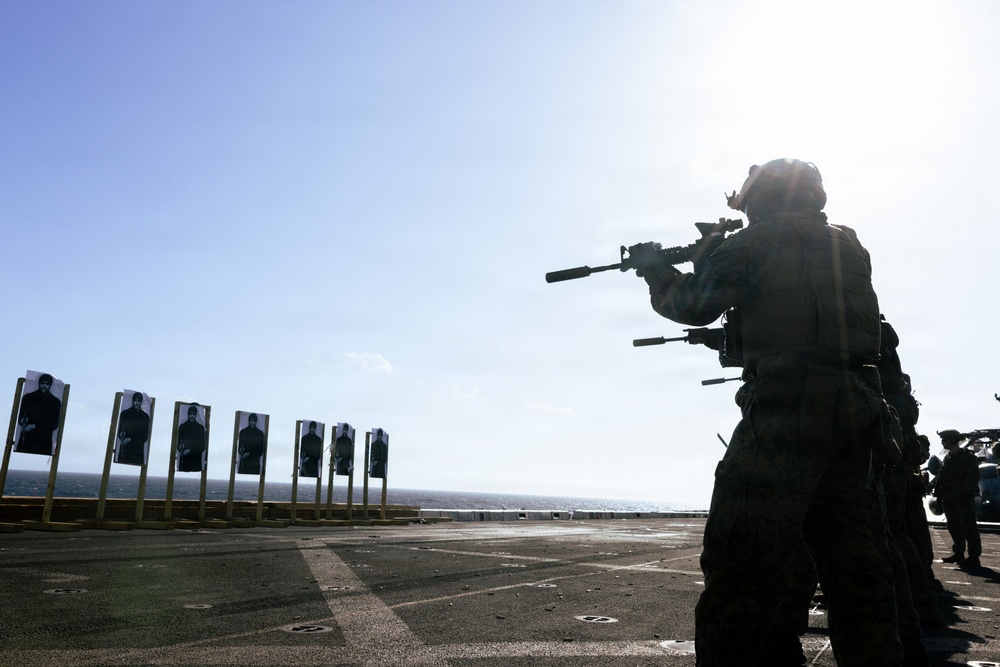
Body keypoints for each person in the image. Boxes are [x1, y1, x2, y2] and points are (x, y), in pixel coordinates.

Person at [632, 159, 907, 665]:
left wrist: (656, 269)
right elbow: (804, 305)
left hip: (787, 411)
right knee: (857, 568)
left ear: (761, 198)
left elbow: (694, 303)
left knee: (742, 559)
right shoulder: (849, 244)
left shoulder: (755, 243)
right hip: (856, 414)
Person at [933, 429, 982, 568]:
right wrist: (938, 495)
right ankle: (959, 553)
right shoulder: (948, 458)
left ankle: (973, 556)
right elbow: (942, 478)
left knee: (969, 526)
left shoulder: (968, 457)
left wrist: (965, 494)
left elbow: (974, 478)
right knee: (953, 526)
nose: (942, 443)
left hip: (963, 498)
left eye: (944, 440)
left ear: (951, 440)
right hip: (949, 497)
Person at [15, 373, 62, 455]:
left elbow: (54, 424)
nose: (44, 385)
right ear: (39, 383)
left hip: (44, 441)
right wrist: (22, 420)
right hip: (27, 440)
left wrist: (35, 425)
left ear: (50, 385)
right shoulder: (28, 398)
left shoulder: (55, 402)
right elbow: (21, 417)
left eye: (47, 384)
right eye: (42, 383)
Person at [116, 391, 151, 465]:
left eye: (138, 401)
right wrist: (121, 436)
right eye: (135, 400)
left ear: (141, 402)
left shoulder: (145, 417)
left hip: (137, 453)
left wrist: (131, 439)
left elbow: (145, 437)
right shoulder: (125, 414)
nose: (136, 403)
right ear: (133, 401)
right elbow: (120, 431)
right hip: (125, 452)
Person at [176, 405, 207, 472]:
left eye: (193, 414)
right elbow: (178, 443)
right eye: (190, 414)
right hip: (184, 460)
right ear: (188, 414)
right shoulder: (182, 427)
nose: (192, 416)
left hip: (196, 460)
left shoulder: (200, 428)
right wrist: (180, 447)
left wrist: (190, 450)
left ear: (196, 415)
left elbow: (202, 446)